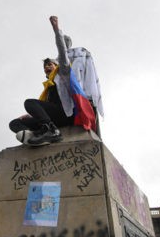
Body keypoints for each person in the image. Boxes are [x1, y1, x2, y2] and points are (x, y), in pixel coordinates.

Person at [9, 16, 97, 146]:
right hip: (53, 117)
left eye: (50, 64)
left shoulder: (64, 74)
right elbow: (44, 106)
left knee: (29, 103)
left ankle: (51, 131)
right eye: (45, 67)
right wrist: (32, 116)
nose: (47, 67)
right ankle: (36, 137)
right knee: (15, 123)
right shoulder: (48, 87)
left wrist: (56, 31)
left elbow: (62, 54)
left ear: (57, 65)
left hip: (66, 114)